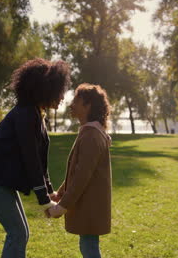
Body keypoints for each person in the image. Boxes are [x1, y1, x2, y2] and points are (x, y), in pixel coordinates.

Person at [0, 58, 71, 258]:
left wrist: (48, 192)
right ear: (45, 89)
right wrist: (44, 200)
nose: (62, 97)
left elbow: (40, 162)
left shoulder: (35, 113)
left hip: (0, 179)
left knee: (21, 233)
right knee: (17, 233)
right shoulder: (26, 114)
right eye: (59, 91)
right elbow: (30, 158)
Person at [48, 83, 112, 258]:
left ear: (88, 105)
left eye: (76, 100)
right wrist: (60, 194)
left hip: (90, 205)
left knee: (89, 247)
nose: (71, 104)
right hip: (89, 204)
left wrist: (62, 206)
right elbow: (76, 172)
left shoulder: (92, 135)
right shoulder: (89, 132)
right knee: (88, 246)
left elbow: (82, 177)